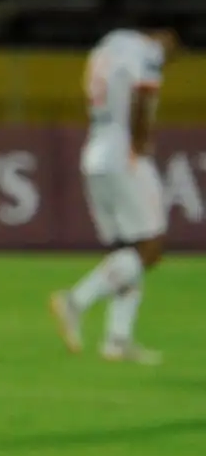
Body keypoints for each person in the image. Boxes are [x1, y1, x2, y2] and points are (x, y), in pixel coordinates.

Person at [49, 27, 178, 365]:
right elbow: (144, 94)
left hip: (95, 151)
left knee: (128, 250)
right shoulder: (148, 50)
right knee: (151, 248)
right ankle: (75, 301)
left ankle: (117, 340)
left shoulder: (106, 46)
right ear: (163, 34)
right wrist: (141, 142)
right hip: (125, 154)